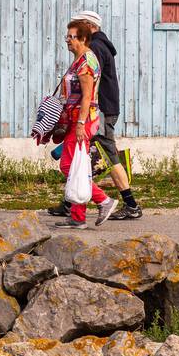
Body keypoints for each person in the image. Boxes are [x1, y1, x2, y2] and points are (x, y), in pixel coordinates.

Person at [47, 10, 141, 219]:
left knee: (107, 155)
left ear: (88, 27)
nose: (71, 38)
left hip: (99, 110)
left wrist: (81, 119)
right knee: (80, 158)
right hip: (99, 109)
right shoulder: (100, 45)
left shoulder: (94, 49)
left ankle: (129, 204)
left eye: (77, 29)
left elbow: (88, 86)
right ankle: (73, 204)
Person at [53, 18, 117, 229]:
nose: (68, 41)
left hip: (83, 119)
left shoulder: (86, 62)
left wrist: (80, 123)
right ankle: (78, 217)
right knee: (76, 166)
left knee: (67, 165)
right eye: (67, 37)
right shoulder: (79, 60)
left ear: (83, 38)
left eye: (73, 37)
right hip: (75, 118)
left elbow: (87, 96)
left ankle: (104, 200)